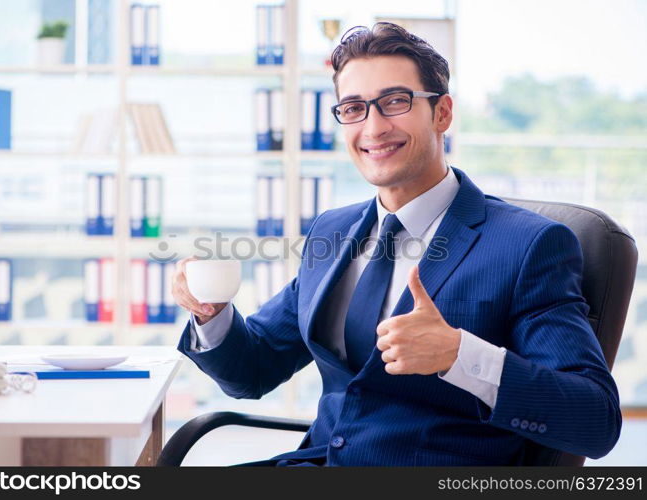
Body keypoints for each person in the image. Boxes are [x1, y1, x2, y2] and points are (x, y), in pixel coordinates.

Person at [172, 22, 621, 466]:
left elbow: (594, 420)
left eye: (394, 102)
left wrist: (459, 354)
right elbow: (252, 371)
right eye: (353, 108)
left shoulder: (528, 245)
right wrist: (211, 315)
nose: (373, 127)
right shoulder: (333, 231)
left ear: (442, 113)